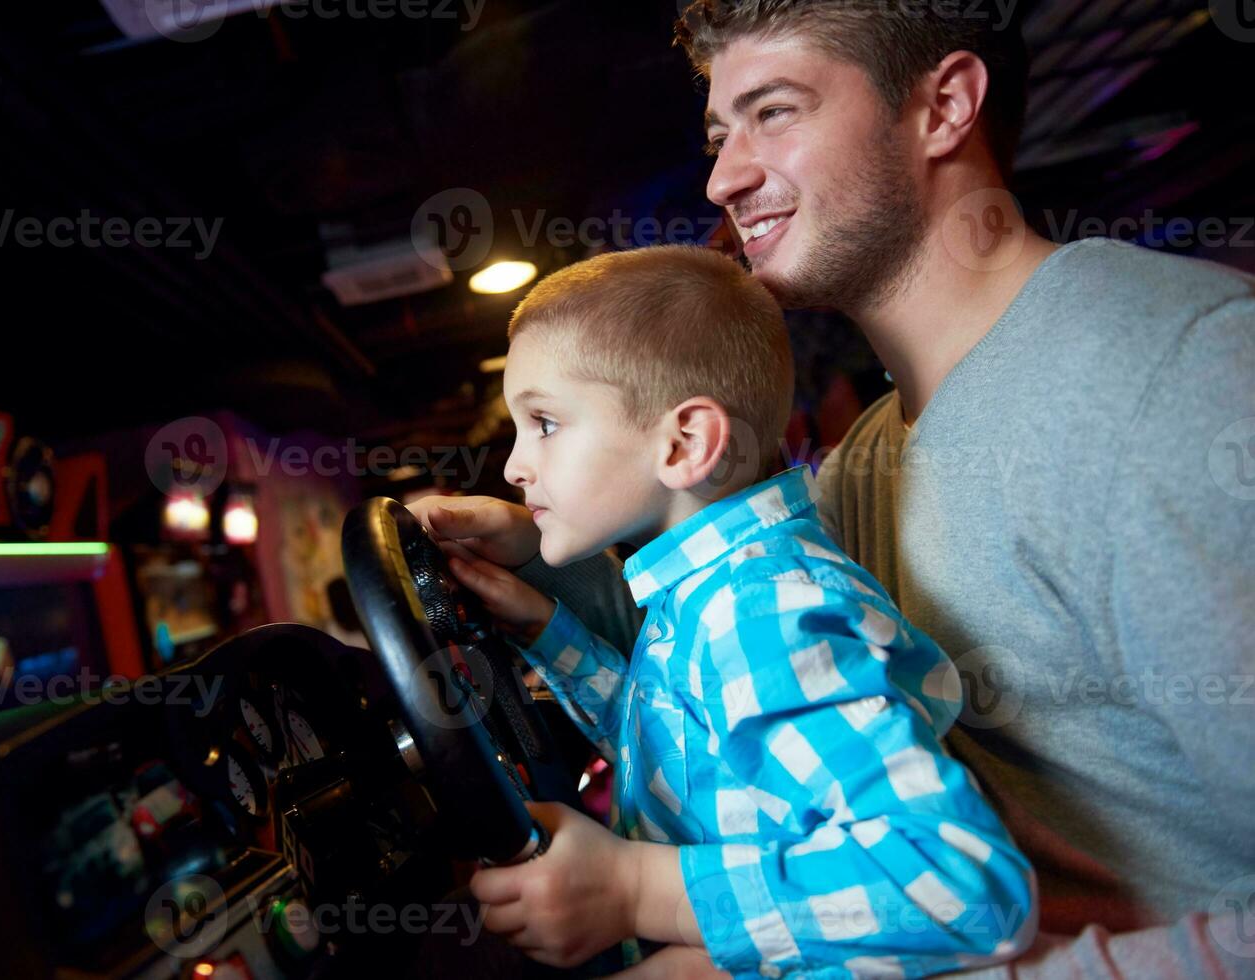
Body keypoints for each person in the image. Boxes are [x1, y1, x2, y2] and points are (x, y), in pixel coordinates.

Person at [413, 2, 1255, 976]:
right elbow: (726, 677)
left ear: (941, 106)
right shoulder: (866, 456)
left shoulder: (1180, 377)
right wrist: (535, 565)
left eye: (773, 112)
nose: (724, 176)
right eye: (720, 134)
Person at [438, 245, 1037, 979]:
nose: (512, 466)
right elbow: (691, 748)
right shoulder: (709, 585)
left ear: (685, 443)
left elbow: (961, 888)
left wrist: (633, 892)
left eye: (546, 424)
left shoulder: (759, 610)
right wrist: (543, 628)